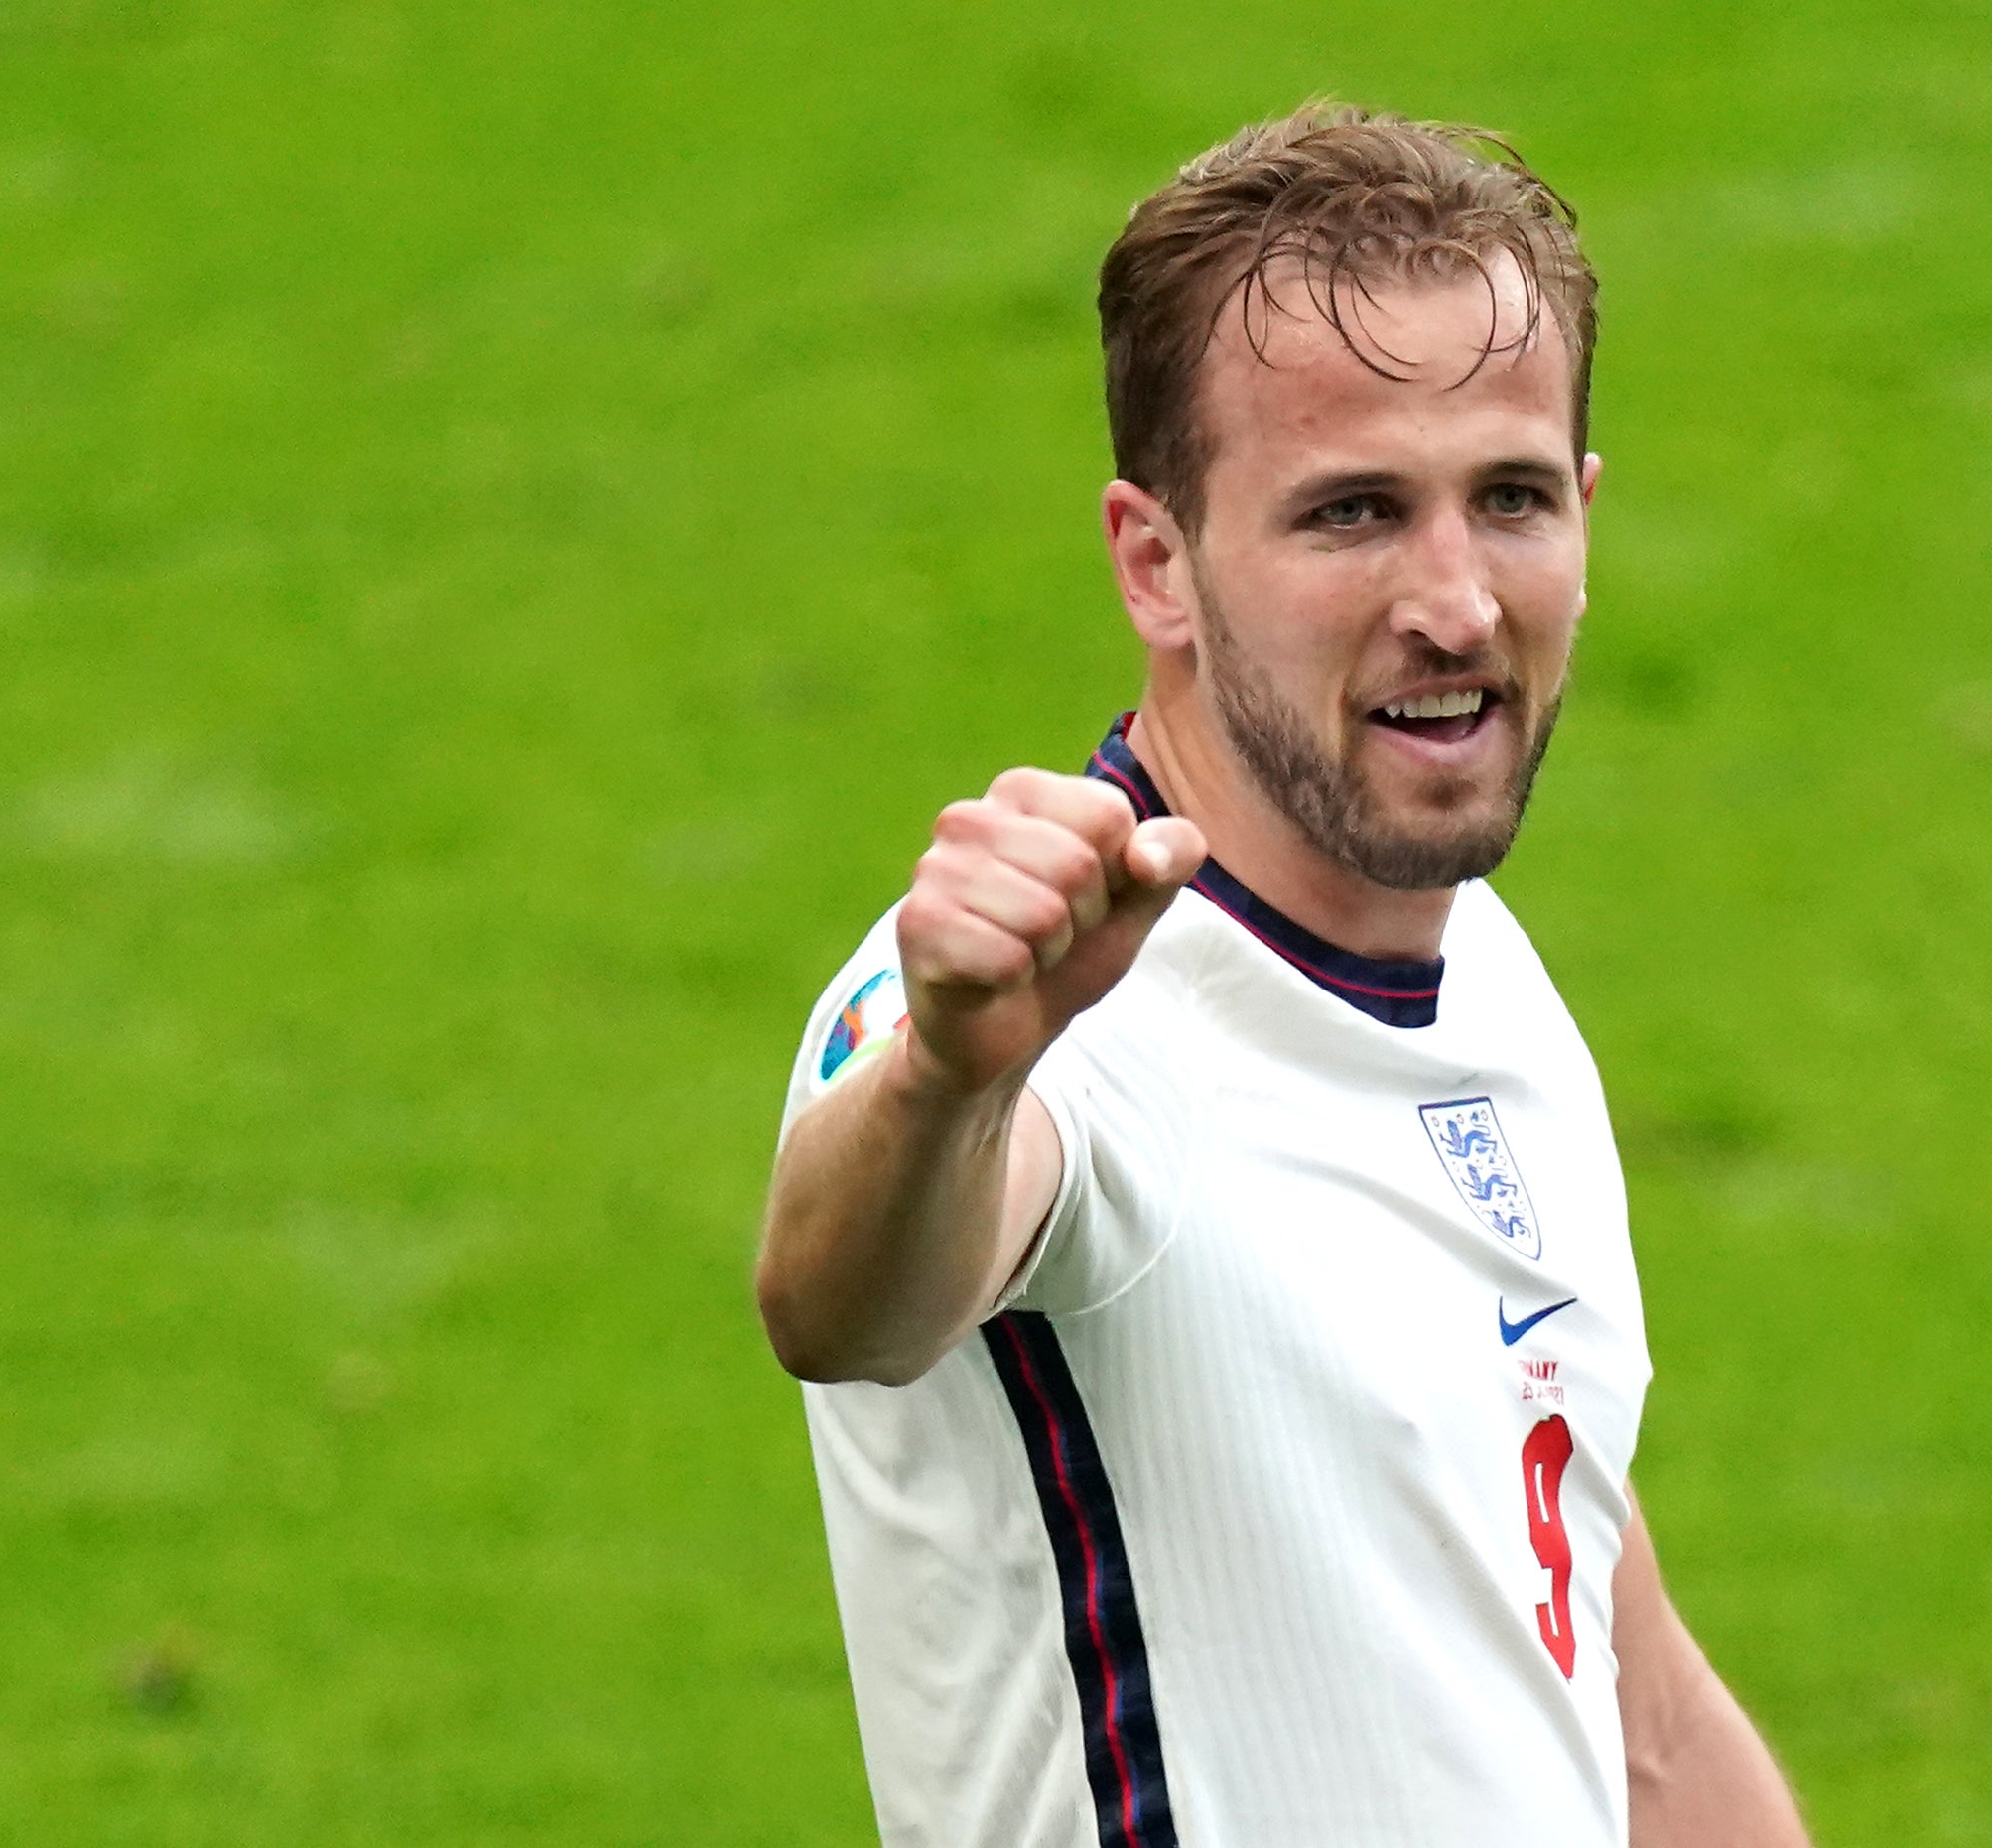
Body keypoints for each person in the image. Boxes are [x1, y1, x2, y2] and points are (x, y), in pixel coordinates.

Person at [757, 105, 1813, 1848]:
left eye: (1510, 499)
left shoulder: (1485, 980)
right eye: (1353, 515)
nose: (1458, 603)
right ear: (1155, 561)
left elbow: (1623, 1706)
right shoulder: (1034, 1005)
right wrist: (955, 1069)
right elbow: (840, 1298)